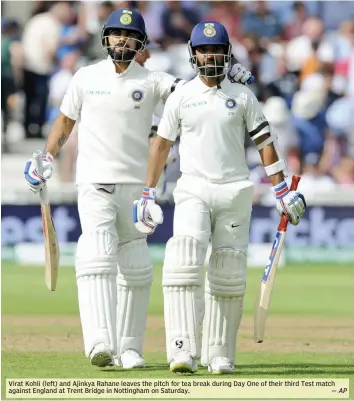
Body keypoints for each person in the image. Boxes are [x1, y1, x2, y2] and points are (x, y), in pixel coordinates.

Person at [23, 9, 253, 370]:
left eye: (129, 36)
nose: (122, 41)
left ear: (142, 43)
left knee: (136, 266)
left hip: (136, 190)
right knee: (97, 253)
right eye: (116, 34)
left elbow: (194, 93)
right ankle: (100, 341)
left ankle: (129, 348)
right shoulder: (85, 78)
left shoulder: (154, 81)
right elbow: (65, 122)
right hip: (95, 182)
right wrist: (47, 156)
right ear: (105, 38)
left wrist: (229, 73)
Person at [134, 21, 306, 374]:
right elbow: (162, 145)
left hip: (234, 190)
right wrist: (148, 192)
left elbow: (265, 144)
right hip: (193, 187)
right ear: (193, 53)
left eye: (216, 49)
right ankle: (182, 349)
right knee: (183, 262)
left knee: (228, 272)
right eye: (203, 49)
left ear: (227, 53)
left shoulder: (243, 96)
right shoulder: (182, 95)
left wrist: (281, 189)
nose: (209, 55)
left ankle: (220, 354)